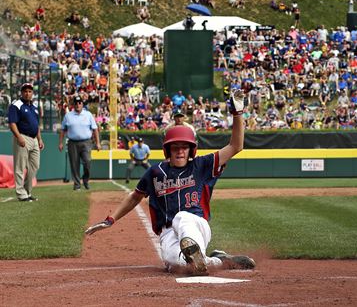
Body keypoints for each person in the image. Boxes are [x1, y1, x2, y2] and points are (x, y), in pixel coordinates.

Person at [84, 90, 255, 276]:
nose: (180, 151)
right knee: (177, 265)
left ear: (191, 150)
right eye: (175, 147)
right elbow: (135, 196)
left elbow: (236, 146)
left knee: (182, 217)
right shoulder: (156, 172)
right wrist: (111, 220)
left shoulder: (201, 165)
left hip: (196, 224)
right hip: (167, 232)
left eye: (184, 147)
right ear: (167, 150)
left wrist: (238, 114)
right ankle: (217, 260)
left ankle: (195, 250)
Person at [7, 83, 44, 202]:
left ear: (32, 93)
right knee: (20, 167)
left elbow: (37, 125)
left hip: (34, 139)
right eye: (25, 91)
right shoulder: (16, 104)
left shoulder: (34, 107)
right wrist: (18, 137)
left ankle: (27, 191)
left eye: (30, 91)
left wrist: (40, 139)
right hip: (22, 137)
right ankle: (21, 194)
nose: (27, 93)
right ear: (21, 93)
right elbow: (12, 123)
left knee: (35, 166)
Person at [58, 96, 100, 190]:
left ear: (82, 104)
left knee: (87, 161)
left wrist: (98, 143)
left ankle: (85, 179)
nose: (78, 105)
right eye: (76, 103)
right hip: (72, 142)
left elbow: (95, 129)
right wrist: (60, 143)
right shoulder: (68, 115)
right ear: (73, 105)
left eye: (79, 103)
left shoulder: (88, 114)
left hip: (86, 142)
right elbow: (63, 130)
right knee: (74, 164)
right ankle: (77, 185)